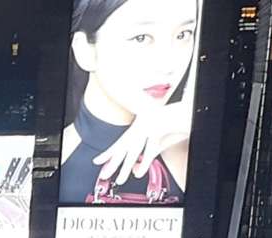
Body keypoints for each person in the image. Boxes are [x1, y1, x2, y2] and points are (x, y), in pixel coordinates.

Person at [57, 0, 199, 206]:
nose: (168, 64)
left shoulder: (192, 147)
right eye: (141, 38)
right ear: (86, 50)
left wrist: (189, 118)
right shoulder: (52, 158)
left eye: (183, 35)